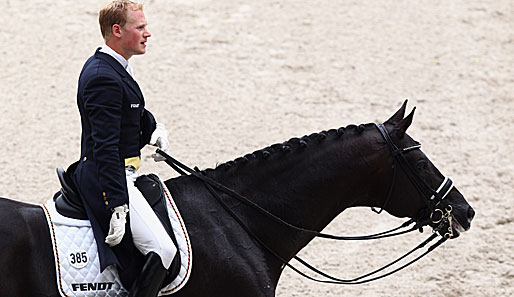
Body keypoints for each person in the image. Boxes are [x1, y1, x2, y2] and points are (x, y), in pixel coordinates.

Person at [71, 1, 175, 296]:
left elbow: (130, 111)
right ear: (117, 31)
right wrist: (117, 203)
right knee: (162, 249)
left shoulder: (116, 68)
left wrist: (152, 128)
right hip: (108, 177)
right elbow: (104, 147)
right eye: (140, 27)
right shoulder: (103, 77)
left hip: (120, 171)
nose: (148, 33)